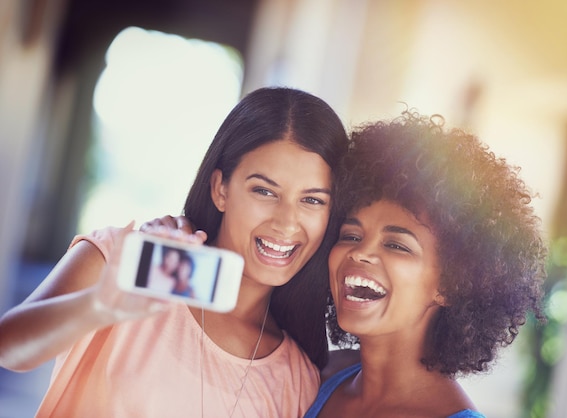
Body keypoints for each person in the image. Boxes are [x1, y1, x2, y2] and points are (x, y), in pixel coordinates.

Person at [0, 87, 349, 417]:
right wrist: (100, 305)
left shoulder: (297, 379)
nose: (287, 222)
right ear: (220, 189)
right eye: (264, 191)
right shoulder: (124, 263)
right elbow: (9, 348)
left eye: (312, 200)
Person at [305, 111, 547, 417]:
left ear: (450, 283)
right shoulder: (318, 376)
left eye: (396, 245)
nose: (360, 252)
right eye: (351, 235)